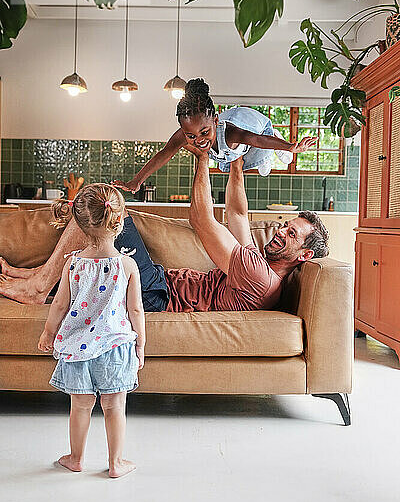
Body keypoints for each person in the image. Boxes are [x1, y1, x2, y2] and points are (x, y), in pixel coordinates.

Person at [0, 156, 329, 313]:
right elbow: (238, 214)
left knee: (102, 200)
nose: (282, 230)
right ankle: (33, 276)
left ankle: (38, 287)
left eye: (293, 233)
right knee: (103, 229)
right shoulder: (259, 266)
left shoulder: (259, 276)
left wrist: (202, 159)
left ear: (304, 256)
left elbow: (201, 219)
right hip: (157, 283)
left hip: (155, 296)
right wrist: (236, 162)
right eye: (286, 224)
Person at [37, 183, 145, 478]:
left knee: (80, 407)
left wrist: (48, 334)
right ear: (119, 222)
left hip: (76, 350)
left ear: (80, 227)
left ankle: (76, 458)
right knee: (114, 407)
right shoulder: (127, 265)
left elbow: (59, 304)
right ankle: (116, 463)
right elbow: (136, 310)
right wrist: (141, 346)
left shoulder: (72, 263)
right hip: (116, 346)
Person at [113, 78, 316, 194]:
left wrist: (290, 147)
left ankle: (274, 143)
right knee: (227, 162)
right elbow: (164, 154)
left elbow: (257, 140)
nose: (199, 140)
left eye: (204, 133)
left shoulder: (230, 133)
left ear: (216, 121)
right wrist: (136, 181)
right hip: (231, 148)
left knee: (260, 158)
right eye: (190, 136)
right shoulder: (186, 134)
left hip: (255, 126)